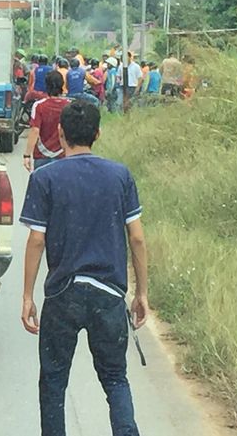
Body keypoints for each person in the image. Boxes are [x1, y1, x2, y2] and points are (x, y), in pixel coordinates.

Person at [20, 99, 149, 436]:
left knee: (53, 381)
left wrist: (27, 296)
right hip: (108, 293)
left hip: (63, 294)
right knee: (115, 378)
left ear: (60, 133)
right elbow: (136, 238)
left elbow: (36, 240)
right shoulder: (120, 176)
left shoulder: (46, 178)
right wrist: (142, 293)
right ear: (97, 133)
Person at [24, 71, 69, 172]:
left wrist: (27, 155)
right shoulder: (69, 106)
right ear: (62, 85)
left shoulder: (39, 105)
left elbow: (35, 131)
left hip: (42, 156)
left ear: (46, 86)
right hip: (62, 155)